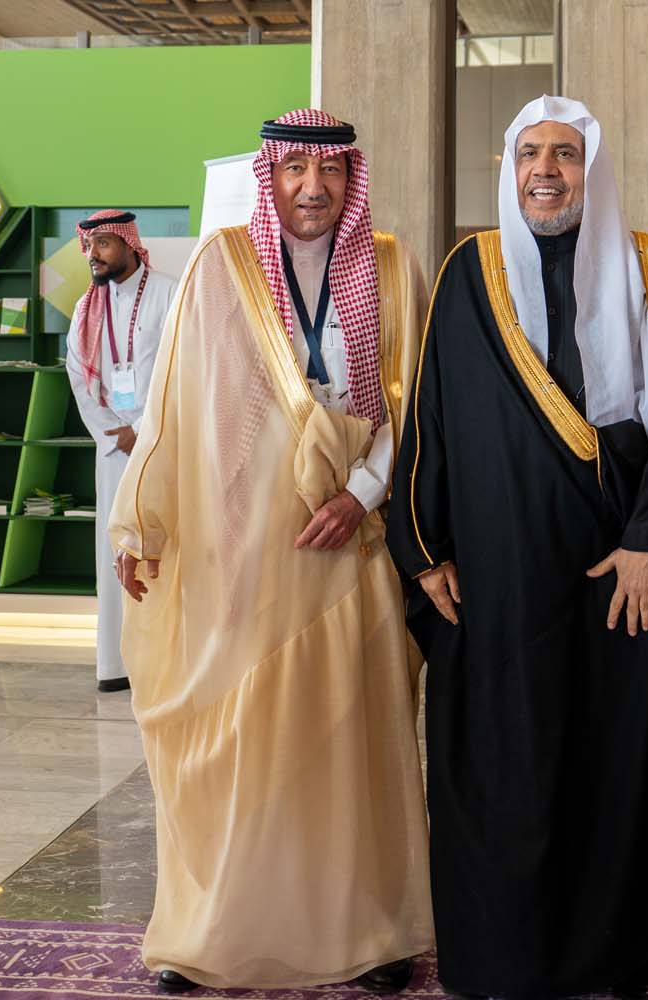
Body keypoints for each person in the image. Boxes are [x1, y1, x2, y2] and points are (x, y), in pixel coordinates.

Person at [388, 95, 648, 1000]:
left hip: (621, 576)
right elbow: (431, 420)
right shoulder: (470, 273)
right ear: (509, 169)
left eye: (566, 154)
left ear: (594, 169)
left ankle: (627, 956)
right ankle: (503, 956)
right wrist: (424, 548)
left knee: (621, 767)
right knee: (506, 764)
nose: (546, 171)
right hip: (501, 579)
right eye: (530, 154)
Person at [108, 109, 432, 995]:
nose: (311, 189)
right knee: (240, 737)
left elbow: (415, 405)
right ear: (270, 177)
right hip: (244, 547)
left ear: (351, 179)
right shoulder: (223, 265)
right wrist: (142, 521)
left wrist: (362, 494)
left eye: (328, 173)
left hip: (352, 542)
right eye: (293, 170)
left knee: (350, 736)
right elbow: (176, 404)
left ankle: (370, 930)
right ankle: (211, 930)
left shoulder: (394, 267)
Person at [64, 210, 177, 692]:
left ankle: (167, 664)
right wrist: (114, 433)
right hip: (112, 449)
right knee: (115, 550)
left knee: (165, 549)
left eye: (104, 244)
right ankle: (117, 664)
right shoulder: (86, 307)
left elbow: (182, 369)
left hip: (163, 445)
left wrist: (143, 430)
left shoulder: (170, 293)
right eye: (89, 246)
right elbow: (77, 374)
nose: (94, 255)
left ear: (130, 244)